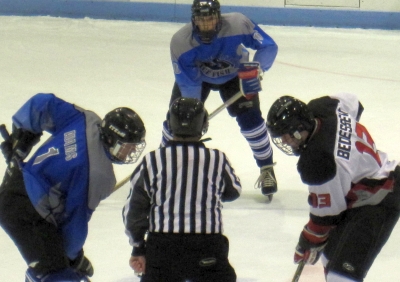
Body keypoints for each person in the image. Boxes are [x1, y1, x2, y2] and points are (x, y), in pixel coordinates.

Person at [0, 93, 146, 282]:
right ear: (110, 139)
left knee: (54, 267)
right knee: (61, 277)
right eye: (125, 148)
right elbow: (75, 222)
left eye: (133, 149)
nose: (128, 154)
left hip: (16, 181)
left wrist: (22, 137)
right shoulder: (99, 175)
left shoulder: (87, 120)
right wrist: (72, 257)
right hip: (27, 213)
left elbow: (44, 103)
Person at [266, 93, 400, 282]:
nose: (285, 141)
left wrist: (308, 239)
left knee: (341, 277)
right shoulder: (325, 107)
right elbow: (355, 104)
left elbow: (326, 218)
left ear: (300, 127)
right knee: (330, 257)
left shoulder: (319, 161)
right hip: (367, 186)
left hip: (379, 197)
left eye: (286, 135)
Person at [161, 0, 279, 198]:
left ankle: (267, 168)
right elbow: (189, 84)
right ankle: (164, 166)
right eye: (201, 20)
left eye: (210, 18)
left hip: (236, 76)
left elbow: (267, 45)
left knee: (251, 121)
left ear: (218, 17)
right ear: (193, 20)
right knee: (179, 119)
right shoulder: (181, 41)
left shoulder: (238, 23)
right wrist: (194, 111)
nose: (206, 24)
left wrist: (258, 68)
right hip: (198, 77)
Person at [123, 97, 241, 282]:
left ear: (170, 123)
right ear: (203, 125)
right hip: (207, 247)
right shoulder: (217, 159)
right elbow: (233, 191)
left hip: (163, 249)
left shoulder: (152, 161)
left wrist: (138, 247)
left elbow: (134, 210)